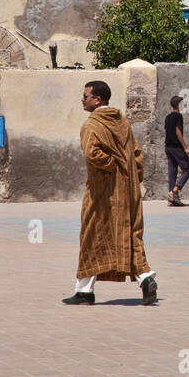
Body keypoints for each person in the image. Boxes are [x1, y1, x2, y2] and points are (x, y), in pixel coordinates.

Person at [64, 80, 156, 305]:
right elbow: (137, 153)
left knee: (92, 234)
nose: (82, 99)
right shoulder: (122, 122)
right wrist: (132, 178)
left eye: (85, 96)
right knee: (130, 234)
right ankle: (144, 278)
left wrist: (112, 166)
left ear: (98, 100)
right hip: (129, 191)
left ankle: (85, 291)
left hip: (103, 193)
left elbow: (92, 154)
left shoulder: (91, 125)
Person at [164, 95, 189, 206]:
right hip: (176, 147)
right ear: (178, 105)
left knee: (172, 170)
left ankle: (172, 197)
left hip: (168, 147)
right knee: (188, 168)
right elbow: (178, 132)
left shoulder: (168, 117)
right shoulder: (178, 116)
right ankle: (174, 190)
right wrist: (185, 147)